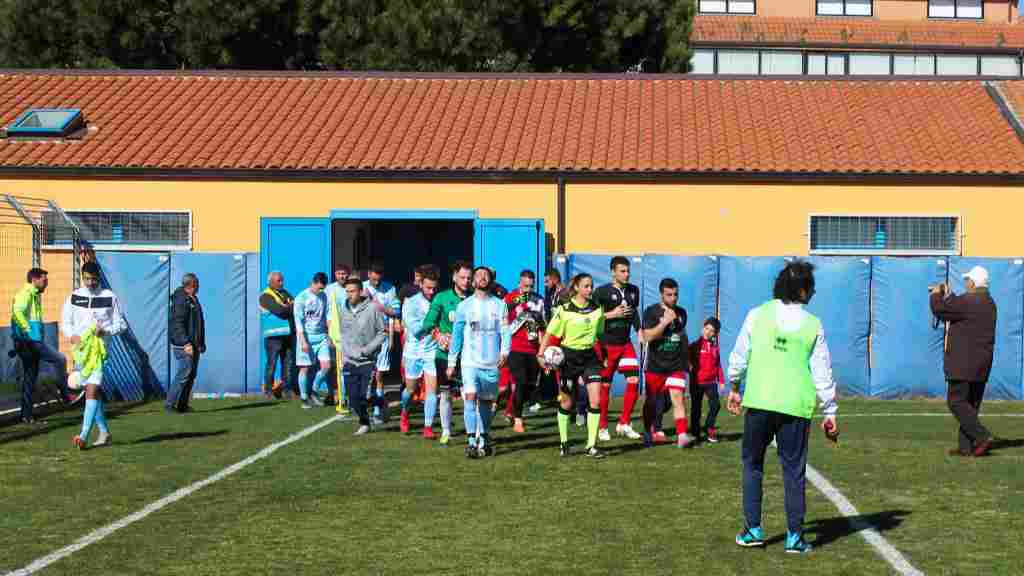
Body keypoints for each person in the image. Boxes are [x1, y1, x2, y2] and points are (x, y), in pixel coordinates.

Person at [727, 260, 837, 555]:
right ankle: (794, 537)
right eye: (811, 286)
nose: (814, 292)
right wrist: (830, 411)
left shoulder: (756, 315)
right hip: (794, 406)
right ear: (801, 290)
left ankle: (753, 529)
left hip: (760, 402)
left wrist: (734, 387)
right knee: (793, 471)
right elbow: (822, 370)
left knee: (752, 465)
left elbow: (739, 355)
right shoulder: (813, 324)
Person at [930, 266, 997, 457]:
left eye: (968, 280)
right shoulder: (989, 303)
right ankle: (966, 447)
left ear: (973, 283)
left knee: (956, 402)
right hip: (982, 363)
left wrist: (936, 295)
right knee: (971, 405)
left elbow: (941, 310)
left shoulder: (969, 301)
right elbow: (959, 310)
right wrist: (950, 296)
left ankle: (982, 436)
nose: (966, 283)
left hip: (963, 363)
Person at [538, 272, 607, 459]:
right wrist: (541, 354)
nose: (590, 289)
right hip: (569, 357)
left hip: (590, 358)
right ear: (576, 287)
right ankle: (564, 443)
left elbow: (600, 334)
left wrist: (604, 356)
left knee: (595, 400)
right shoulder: (564, 309)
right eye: (586, 286)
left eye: (591, 286)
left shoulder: (597, 309)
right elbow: (551, 333)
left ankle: (591, 446)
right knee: (567, 402)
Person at [447, 266, 511, 458]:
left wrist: (505, 351)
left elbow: (505, 331)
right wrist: (452, 361)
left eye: (486, 275)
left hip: (491, 362)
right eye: (479, 275)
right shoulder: (464, 306)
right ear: (473, 281)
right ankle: (471, 441)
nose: (483, 278)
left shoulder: (500, 305)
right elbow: (457, 336)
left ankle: (483, 438)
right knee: (470, 396)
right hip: (469, 361)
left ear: (490, 280)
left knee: (485, 402)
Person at [64, 261, 127, 449]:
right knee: (94, 392)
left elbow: (121, 325)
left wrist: (106, 331)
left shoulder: (109, 297)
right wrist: (71, 335)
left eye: (93, 279)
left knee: (91, 389)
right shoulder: (74, 297)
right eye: (87, 279)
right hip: (81, 353)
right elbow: (66, 322)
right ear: (82, 277)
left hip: (99, 353)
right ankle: (104, 432)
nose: (90, 282)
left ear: (99, 277)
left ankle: (83, 435)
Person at [11, 267, 79, 423]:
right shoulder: (26, 294)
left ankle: (26, 416)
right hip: (29, 342)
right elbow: (17, 311)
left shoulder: (33, 295)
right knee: (60, 359)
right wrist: (27, 330)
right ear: (35, 280)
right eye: (44, 280)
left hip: (26, 342)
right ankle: (66, 395)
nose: (46, 283)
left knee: (30, 377)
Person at [416, 261, 472, 445]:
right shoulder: (441, 298)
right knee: (446, 394)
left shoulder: (475, 299)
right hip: (444, 356)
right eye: (462, 277)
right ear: (454, 277)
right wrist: (438, 335)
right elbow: (427, 324)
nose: (466, 281)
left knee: (469, 395)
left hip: (469, 356)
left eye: (469, 278)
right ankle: (446, 431)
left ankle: (474, 433)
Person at [594, 256, 643, 441]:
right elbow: (592, 317)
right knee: (605, 385)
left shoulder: (633, 291)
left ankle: (624, 423)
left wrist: (639, 330)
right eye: (622, 271)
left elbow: (634, 313)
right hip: (606, 344)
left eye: (628, 270)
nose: (627, 274)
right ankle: (603, 426)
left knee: (633, 380)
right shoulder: (602, 292)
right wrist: (611, 314)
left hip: (625, 344)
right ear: (613, 272)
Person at [640, 278, 693, 448]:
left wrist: (687, 361)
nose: (673, 298)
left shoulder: (682, 313)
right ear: (661, 294)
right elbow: (647, 336)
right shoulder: (651, 312)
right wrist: (664, 322)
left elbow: (681, 337)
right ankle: (648, 430)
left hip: (675, 366)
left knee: (678, 398)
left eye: (676, 294)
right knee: (651, 402)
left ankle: (682, 435)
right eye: (669, 295)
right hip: (655, 365)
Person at [338, 277, 389, 435]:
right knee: (352, 399)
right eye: (347, 292)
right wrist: (344, 354)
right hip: (349, 360)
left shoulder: (373, 309)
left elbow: (383, 332)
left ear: (360, 292)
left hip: (367, 360)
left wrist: (368, 350)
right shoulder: (343, 310)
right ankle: (365, 423)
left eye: (352, 291)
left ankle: (380, 402)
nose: (349, 295)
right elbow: (343, 334)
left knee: (364, 396)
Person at [400, 265, 440, 436]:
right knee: (410, 390)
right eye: (428, 288)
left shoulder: (438, 301)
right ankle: (404, 412)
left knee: (432, 390)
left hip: (431, 351)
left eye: (434, 288)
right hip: (413, 352)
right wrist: (434, 328)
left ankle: (428, 427)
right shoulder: (411, 303)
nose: (431, 292)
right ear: (420, 285)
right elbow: (415, 330)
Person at [505, 270, 547, 433]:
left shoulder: (539, 300)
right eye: (525, 286)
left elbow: (543, 325)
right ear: (519, 283)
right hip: (515, 347)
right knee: (520, 382)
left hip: (533, 348)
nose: (528, 289)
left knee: (530, 386)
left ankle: (510, 409)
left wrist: (542, 349)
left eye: (531, 286)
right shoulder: (510, 298)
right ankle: (518, 419)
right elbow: (501, 321)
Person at [364, 262, 401, 424]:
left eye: (379, 280)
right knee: (366, 373)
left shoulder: (390, 289)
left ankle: (378, 409)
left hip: (383, 334)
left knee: (379, 373)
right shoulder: (361, 288)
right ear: (369, 275)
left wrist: (379, 306)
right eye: (374, 280)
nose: (377, 283)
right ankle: (364, 405)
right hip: (364, 336)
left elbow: (396, 311)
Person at [293, 272, 332, 409]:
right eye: (319, 287)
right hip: (306, 337)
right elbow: (298, 321)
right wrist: (303, 341)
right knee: (304, 368)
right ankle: (304, 398)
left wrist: (330, 334)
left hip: (321, 336)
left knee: (326, 367)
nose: (321, 290)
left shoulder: (324, 296)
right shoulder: (301, 298)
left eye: (323, 288)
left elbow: (328, 316)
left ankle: (314, 390)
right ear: (313, 283)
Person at [168, 273, 206, 413]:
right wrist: (186, 343)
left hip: (194, 343)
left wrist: (201, 342)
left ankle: (182, 405)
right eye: (197, 284)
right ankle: (170, 404)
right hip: (184, 345)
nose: (199, 287)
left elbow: (199, 323)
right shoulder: (181, 299)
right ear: (191, 285)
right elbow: (177, 323)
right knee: (184, 373)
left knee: (191, 374)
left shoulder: (193, 299)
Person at [259, 271, 296, 399]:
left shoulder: (285, 293)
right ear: (271, 282)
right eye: (279, 281)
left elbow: (295, 306)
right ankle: (268, 391)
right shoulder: (265, 296)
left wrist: (288, 307)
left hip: (287, 334)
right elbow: (280, 311)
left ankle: (287, 390)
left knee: (288, 364)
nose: (282, 283)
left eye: (282, 280)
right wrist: (288, 307)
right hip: (273, 337)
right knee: (272, 364)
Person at [689, 317, 725, 445]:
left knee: (716, 405)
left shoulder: (715, 348)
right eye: (707, 328)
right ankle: (695, 433)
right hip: (696, 382)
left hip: (711, 383)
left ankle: (709, 427)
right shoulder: (695, 345)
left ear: (716, 333)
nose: (708, 332)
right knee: (696, 408)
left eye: (712, 330)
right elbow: (686, 360)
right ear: (702, 328)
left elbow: (718, 365)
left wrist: (721, 381)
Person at [325, 265, 351, 411]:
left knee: (344, 366)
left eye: (344, 274)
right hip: (334, 333)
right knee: (333, 366)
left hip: (348, 333)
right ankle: (334, 394)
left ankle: (344, 396)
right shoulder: (330, 289)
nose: (342, 276)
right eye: (339, 274)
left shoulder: (351, 289)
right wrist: (329, 332)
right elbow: (327, 311)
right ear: (335, 275)